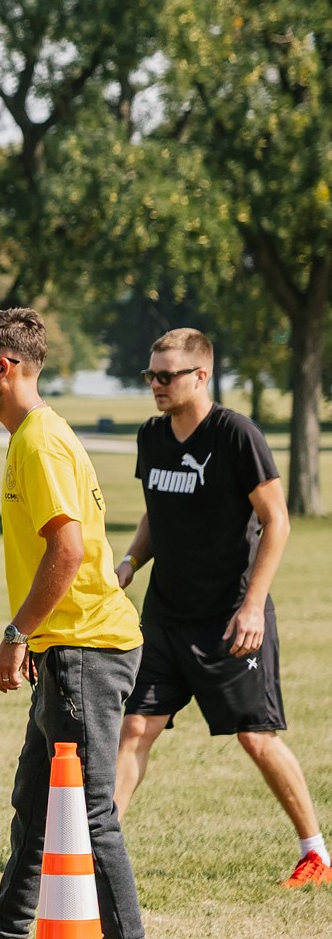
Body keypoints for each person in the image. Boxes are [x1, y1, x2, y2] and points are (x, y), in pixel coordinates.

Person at [0, 308, 166, 939]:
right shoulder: (33, 437)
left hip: (86, 648)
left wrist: (16, 635)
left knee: (89, 810)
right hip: (67, 647)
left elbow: (66, 551)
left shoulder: (40, 441)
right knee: (35, 803)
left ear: (5, 367)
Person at [112, 328, 324, 887]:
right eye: (151, 375)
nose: (155, 384)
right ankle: (99, 848)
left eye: (166, 375)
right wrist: (130, 562)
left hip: (230, 618)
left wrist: (252, 607)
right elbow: (156, 512)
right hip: (165, 617)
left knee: (256, 735)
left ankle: (316, 853)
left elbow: (277, 520)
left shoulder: (235, 434)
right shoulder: (151, 436)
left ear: (200, 375)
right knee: (136, 727)